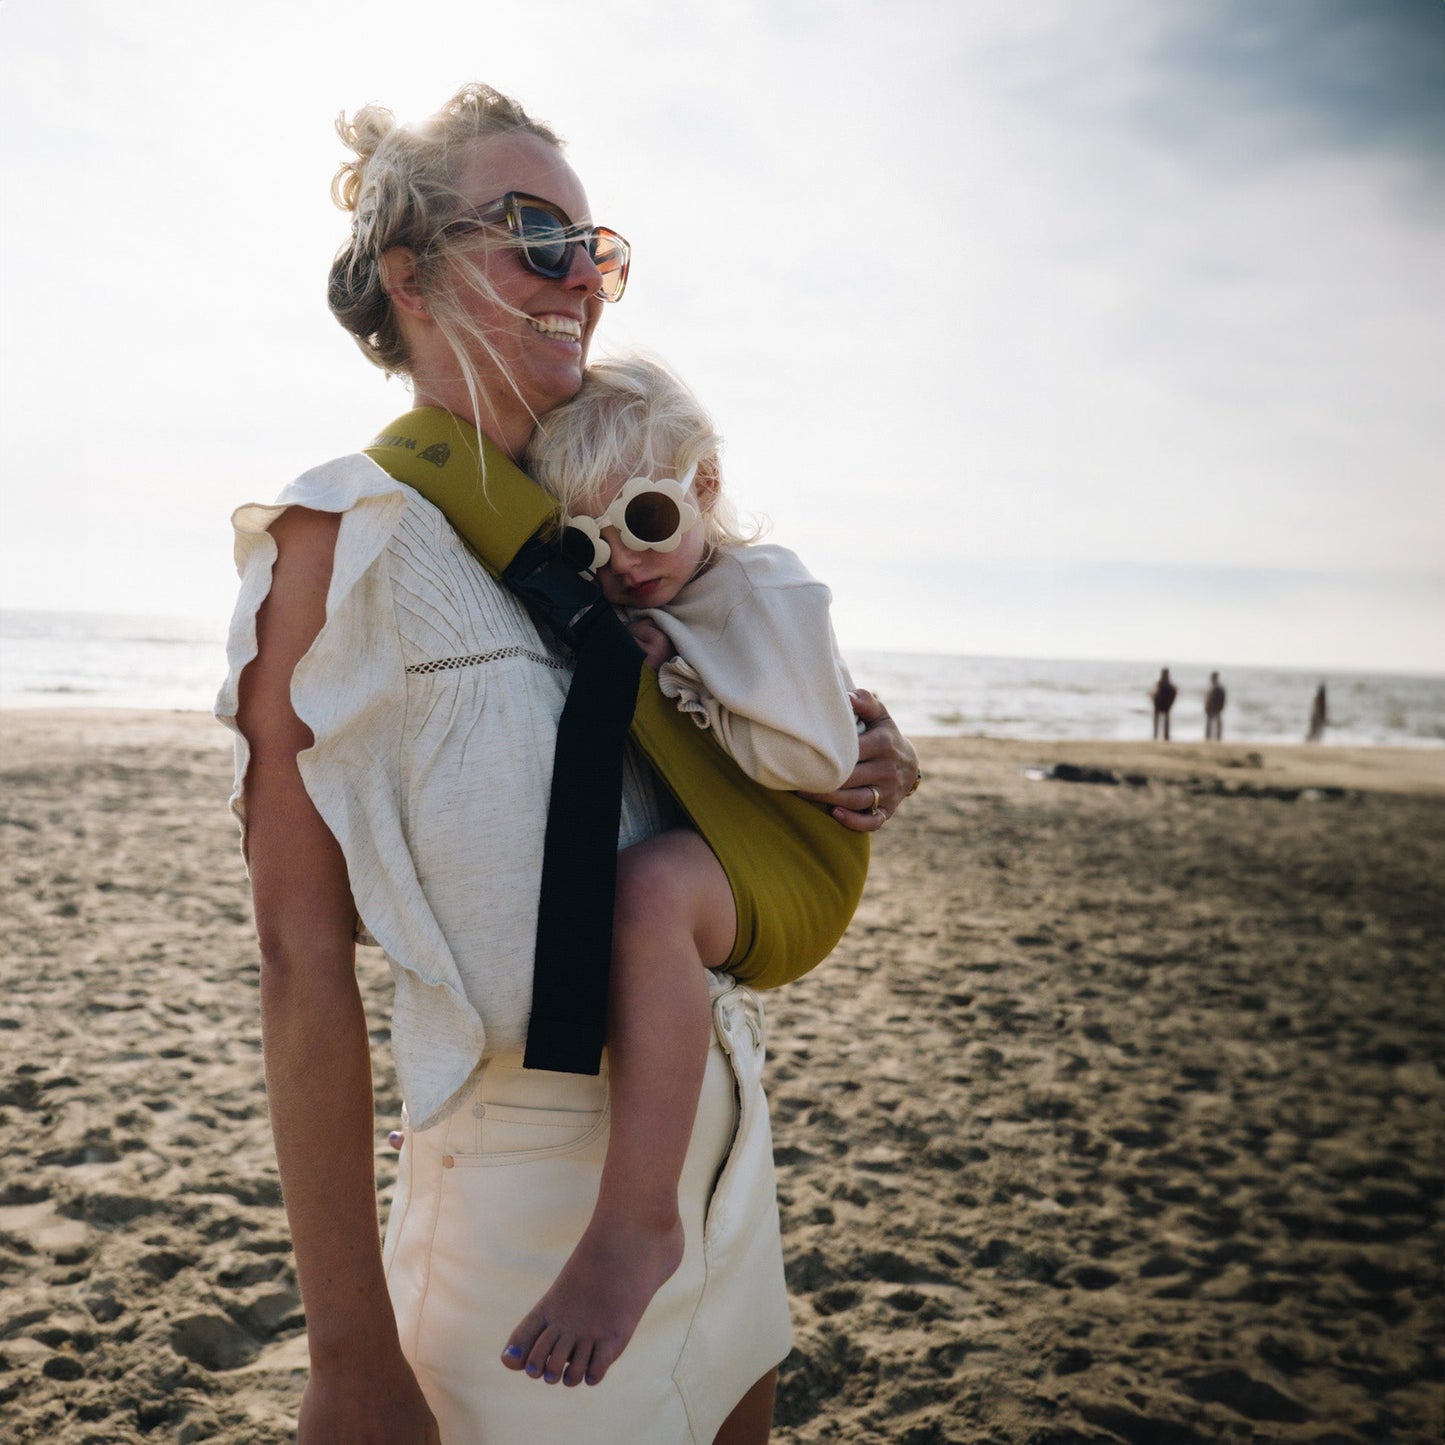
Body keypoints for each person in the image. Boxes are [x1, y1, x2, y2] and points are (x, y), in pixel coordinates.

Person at [215, 83, 919, 1445]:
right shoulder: (343, 537)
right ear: (411, 275)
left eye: (594, 248)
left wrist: (867, 745)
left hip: (714, 1143)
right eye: (538, 235)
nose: (580, 278)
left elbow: (739, 702)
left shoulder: (603, 522)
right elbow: (300, 960)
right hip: (523, 1215)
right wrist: (347, 1353)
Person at [493, 354, 859, 1385]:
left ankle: (638, 1222)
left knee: (647, 891)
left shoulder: (764, 588)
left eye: (644, 520)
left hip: (796, 850)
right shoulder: (661, 592)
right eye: (588, 544)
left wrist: (680, 676)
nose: (621, 559)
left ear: (703, 485)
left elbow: (813, 757)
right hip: (737, 834)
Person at [1150, 667, 1177, 741]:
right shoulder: (1161, 684)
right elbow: (1153, 694)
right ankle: (1159, 736)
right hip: (1161, 705)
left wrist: (1170, 703)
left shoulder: (1163, 684)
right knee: (1160, 722)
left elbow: (1153, 694)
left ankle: (1162, 736)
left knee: (1163, 722)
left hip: (1163, 705)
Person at [1204, 671, 1226, 741]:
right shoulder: (1213, 687)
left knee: (1214, 724)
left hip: (1214, 708)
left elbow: (1221, 698)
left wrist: (1220, 707)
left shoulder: (1217, 688)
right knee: (1212, 724)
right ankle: (1210, 738)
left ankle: (1214, 738)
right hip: (1212, 709)